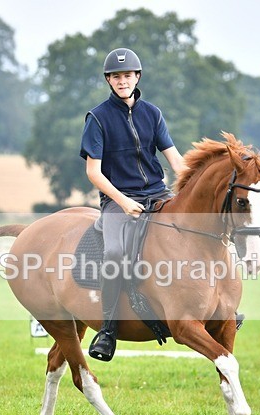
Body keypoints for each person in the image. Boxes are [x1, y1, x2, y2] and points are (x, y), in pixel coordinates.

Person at [80, 47, 186, 362]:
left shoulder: (152, 113)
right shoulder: (97, 118)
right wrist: (123, 201)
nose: (122, 80)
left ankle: (217, 307)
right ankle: (108, 330)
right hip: (118, 200)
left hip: (158, 194)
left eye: (127, 75)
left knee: (192, 235)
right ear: (109, 81)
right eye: (116, 76)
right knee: (114, 253)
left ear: (137, 77)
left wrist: (191, 188)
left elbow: (175, 160)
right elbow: (93, 173)